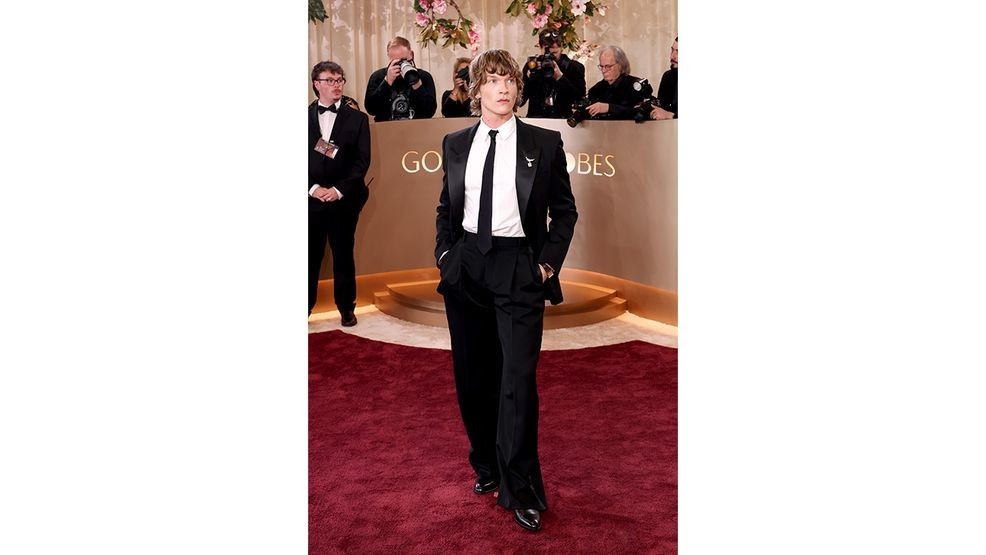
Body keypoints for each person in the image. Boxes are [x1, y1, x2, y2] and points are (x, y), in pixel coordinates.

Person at [434, 49, 578, 533]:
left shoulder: (544, 141)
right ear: (476, 89)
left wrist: (544, 265)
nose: (503, 88)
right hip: (467, 265)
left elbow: (566, 212)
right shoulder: (454, 142)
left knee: (517, 381)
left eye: (509, 81)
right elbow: (445, 208)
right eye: (493, 80)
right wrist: (445, 256)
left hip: (519, 267)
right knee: (474, 377)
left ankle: (520, 487)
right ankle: (487, 466)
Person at [309, 61, 370, 326]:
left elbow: (361, 161)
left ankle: (346, 307)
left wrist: (337, 190)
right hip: (310, 200)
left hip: (343, 200)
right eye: (331, 80)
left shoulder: (357, 118)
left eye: (340, 80)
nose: (337, 85)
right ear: (317, 84)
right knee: (309, 256)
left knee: (344, 255)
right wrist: (313, 189)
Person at [364, 36, 437, 122]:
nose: (402, 65)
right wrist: (387, 81)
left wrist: (417, 85)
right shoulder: (378, 77)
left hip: (417, 129)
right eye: (397, 62)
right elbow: (371, 109)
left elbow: (429, 112)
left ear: (412, 54)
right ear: (389, 58)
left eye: (405, 60)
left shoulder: (424, 76)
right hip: (386, 130)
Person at [520, 29, 586, 119]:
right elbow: (520, 101)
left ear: (561, 47)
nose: (551, 56)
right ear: (540, 47)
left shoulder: (574, 67)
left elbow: (580, 99)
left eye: (555, 52)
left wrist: (560, 77)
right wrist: (530, 77)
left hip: (563, 120)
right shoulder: (533, 66)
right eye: (547, 52)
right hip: (537, 120)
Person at [584, 45, 648, 120]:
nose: (604, 70)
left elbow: (641, 114)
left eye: (608, 66)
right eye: (601, 66)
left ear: (620, 65)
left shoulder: (635, 86)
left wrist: (609, 108)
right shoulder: (596, 89)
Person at [651, 36, 678, 120]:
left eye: (678, 52)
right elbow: (663, 108)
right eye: (672, 50)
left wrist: (671, 116)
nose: (672, 56)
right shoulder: (668, 76)